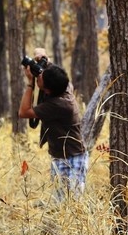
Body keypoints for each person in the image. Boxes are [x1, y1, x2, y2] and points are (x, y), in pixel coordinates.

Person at [18, 49, 88, 202]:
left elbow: (23, 112)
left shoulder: (59, 104)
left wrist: (30, 83)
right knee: (59, 201)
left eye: (41, 76)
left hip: (73, 157)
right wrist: (44, 59)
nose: (39, 74)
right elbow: (57, 76)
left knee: (74, 201)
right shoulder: (64, 86)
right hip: (58, 156)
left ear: (47, 90)